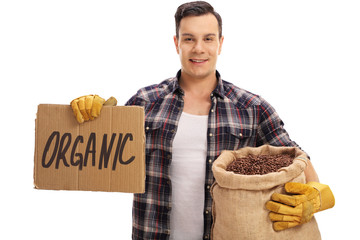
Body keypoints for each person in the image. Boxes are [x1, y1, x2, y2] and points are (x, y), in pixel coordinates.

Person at [71, 1, 334, 239]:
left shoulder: (252, 108)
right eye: (189, 39)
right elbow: (102, 154)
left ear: (220, 43)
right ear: (176, 43)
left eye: (208, 38)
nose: (199, 48)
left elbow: (299, 163)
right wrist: (94, 115)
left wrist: (319, 196)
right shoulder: (145, 102)